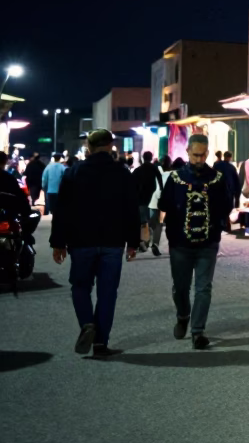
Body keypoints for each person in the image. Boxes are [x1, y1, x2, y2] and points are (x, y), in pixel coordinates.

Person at [49, 131, 141, 359]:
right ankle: (101, 343)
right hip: (113, 242)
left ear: (88, 146)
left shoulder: (74, 172)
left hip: (81, 242)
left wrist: (58, 242)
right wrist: (133, 242)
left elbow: (62, 210)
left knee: (80, 287)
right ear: (111, 146)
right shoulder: (122, 173)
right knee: (107, 293)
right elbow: (132, 208)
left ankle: (87, 323)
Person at [158, 135, 232, 350]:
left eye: (202, 155)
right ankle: (183, 315)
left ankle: (197, 332)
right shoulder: (175, 178)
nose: (199, 159)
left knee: (203, 288)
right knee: (180, 287)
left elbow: (226, 205)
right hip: (180, 243)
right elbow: (164, 203)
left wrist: (215, 220)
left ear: (207, 153)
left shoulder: (217, 178)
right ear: (188, 152)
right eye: (195, 154)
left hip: (207, 243)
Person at [133, 151, 164, 257]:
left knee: (142, 221)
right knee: (152, 222)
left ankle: (141, 242)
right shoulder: (153, 168)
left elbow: (131, 182)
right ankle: (150, 242)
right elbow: (160, 180)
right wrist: (162, 191)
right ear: (151, 158)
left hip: (139, 198)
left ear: (143, 158)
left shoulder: (138, 170)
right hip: (150, 196)